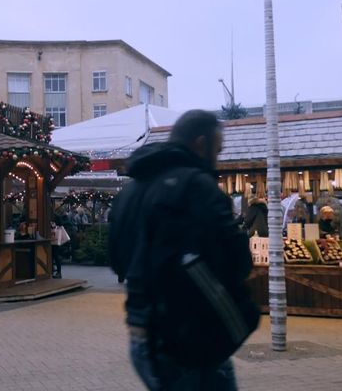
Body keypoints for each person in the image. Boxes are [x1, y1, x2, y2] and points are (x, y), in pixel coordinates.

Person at [109, 110, 258, 390]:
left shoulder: (129, 193)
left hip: (142, 336)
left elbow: (117, 261)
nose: (218, 157)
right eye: (218, 150)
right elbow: (238, 261)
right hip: (191, 339)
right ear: (201, 144)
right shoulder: (197, 186)